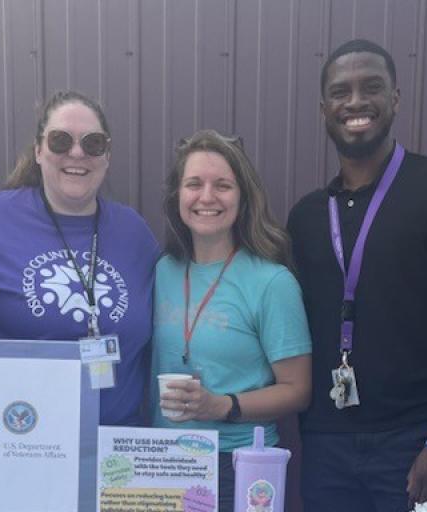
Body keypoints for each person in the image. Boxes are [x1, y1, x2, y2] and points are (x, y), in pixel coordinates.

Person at [287, 39, 427, 511]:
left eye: (372, 88)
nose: (356, 102)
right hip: (326, 444)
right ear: (324, 109)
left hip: (416, 442)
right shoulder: (305, 216)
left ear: (396, 99)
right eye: (341, 92)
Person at [0, 90, 160, 426]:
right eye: (60, 141)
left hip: (116, 455)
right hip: (20, 446)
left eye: (93, 143)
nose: (77, 153)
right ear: (39, 151)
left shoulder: (135, 234)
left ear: (107, 155)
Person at [152, 129, 312, 511]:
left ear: (243, 197)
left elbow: (298, 390)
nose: (207, 197)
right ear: (178, 197)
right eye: (194, 184)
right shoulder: (163, 271)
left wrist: (222, 405)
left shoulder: (271, 282)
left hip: (238, 467)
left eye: (222, 185)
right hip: (161, 462)